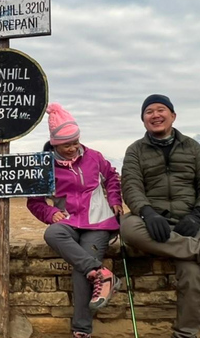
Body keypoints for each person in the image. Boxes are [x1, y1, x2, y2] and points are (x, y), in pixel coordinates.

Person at [120, 94, 200, 338]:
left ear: (173, 115)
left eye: (161, 110)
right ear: (143, 120)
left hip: (188, 221)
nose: (155, 115)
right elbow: (131, 186)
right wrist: (147, 212)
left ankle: (185, 334)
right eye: (149, 112)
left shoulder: (192, 147)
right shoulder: (135, 151)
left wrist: (198, 215)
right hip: (151, 220)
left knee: (194, 275)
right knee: (127, 227)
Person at [27, 103, 122, 338]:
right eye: (66, 144)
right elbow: (34, 202)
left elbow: (111, 176)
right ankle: (103, 274)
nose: (72, 148)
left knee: (83, 270)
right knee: (52, 233)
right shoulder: (44, 166)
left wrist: (114, 198)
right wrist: (50, 214)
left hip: (98, 221)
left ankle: (81, 331)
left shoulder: (94, 157)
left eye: (75, 143)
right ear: (54, 143)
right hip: (68, 223)